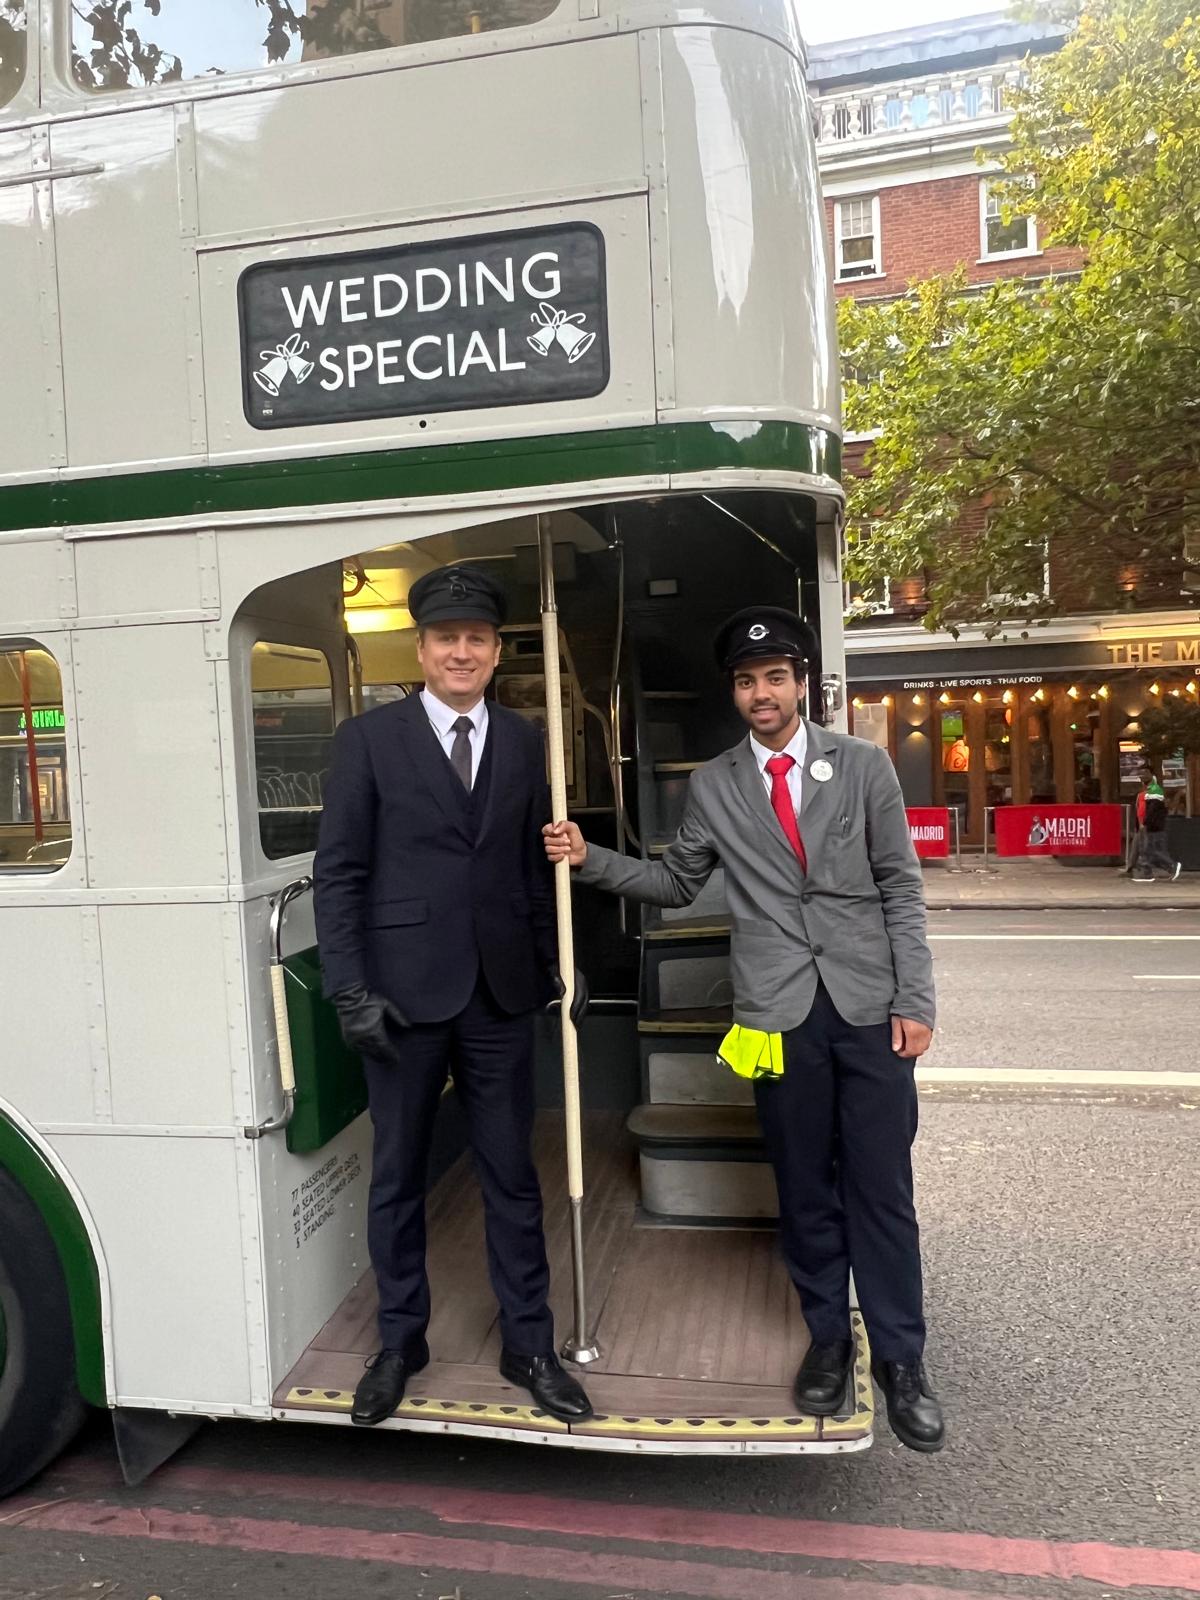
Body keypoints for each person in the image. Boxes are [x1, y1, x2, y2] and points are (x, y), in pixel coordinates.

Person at [545, 606, 945, 1452]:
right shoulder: (717, 783)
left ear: (801, 684)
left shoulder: (865, 766)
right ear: (735, 693)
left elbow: (901, 889)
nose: (761, 692)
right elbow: (678, 884)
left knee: (881, 1187)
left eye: (775, 677)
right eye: (746, 681)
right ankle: (829, 1341)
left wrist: (917, 1000)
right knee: (802, 1186)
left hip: (871, 1008)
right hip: (775, 1013)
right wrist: (590, 860)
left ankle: (902, 1360)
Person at [314, 564, 592, 1426]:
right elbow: (341, 874)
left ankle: (530, 1344)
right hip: (400, 995)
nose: (461, 652)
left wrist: (557, 962)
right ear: (422, 648)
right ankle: (402, 1341)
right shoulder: (367, 741)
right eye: (446, 639)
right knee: (396, 1175)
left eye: (476, 638)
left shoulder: (522, 739)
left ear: (495, 649)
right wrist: (349, 988)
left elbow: (524, 863)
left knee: (512, 1174)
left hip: (501, 991)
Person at [1130, 769, 1181, 882]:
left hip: (1154, 826)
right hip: (1153, 825)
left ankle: (1171, 866)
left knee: (1152, 850)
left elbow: (1151, 810)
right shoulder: (1152, 790)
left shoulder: (1153, 791)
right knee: (1148, 850)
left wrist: (1145, 823)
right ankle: (1147, 873)